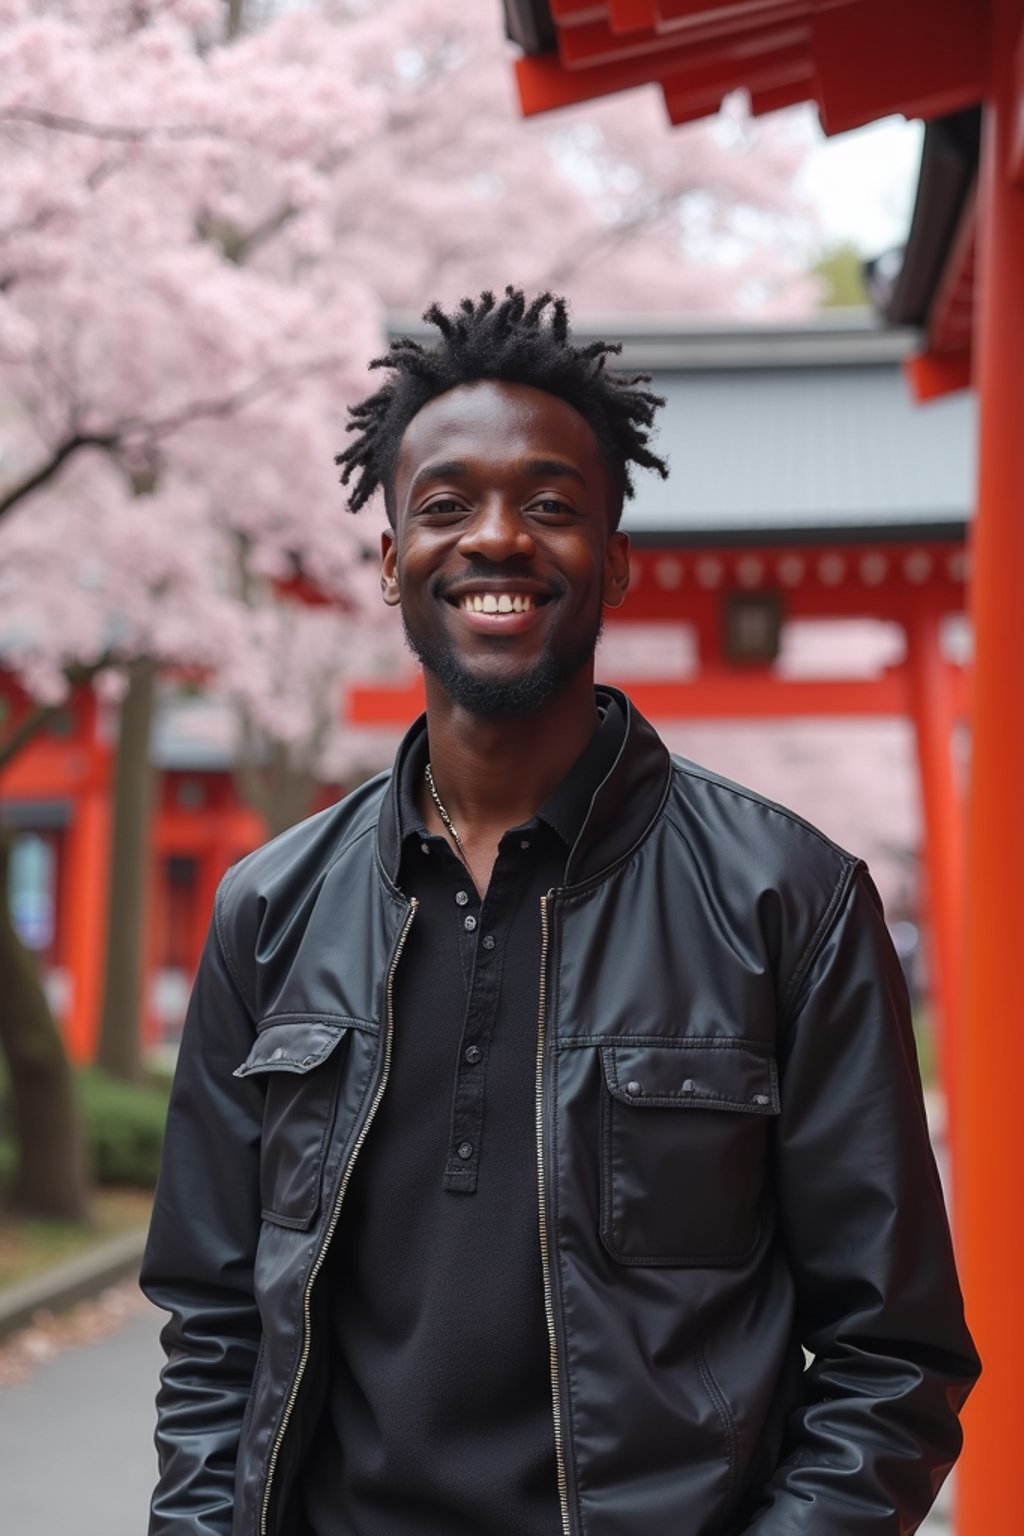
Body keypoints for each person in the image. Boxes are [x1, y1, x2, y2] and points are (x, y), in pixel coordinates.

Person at [142, 288, 979, 1536]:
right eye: (444, 507)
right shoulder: (271, 909)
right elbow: (211, 1334)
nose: (496, 539)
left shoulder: (787, 904)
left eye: (549, 505)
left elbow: (891, 1360)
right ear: (389, 563)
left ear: (618, 558)